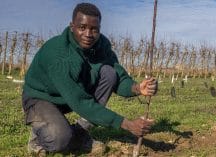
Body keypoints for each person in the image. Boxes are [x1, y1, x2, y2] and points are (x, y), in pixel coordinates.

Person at [22, 2, 157, 155]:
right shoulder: (59, 55)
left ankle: (80, 133)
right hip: (41, 98)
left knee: (109, 72)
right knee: (59, 139)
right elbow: (81, 102)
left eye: (94, 29)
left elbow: (118, 77)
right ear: (72, 26)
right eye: (82, 27)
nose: (88, 34)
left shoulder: (101, 45)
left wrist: (138, 88)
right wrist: (127, 124)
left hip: (71, 96)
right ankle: (39, 137)